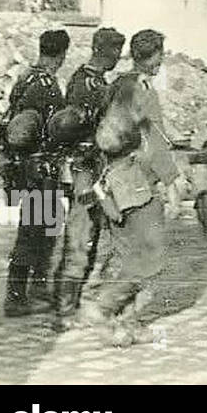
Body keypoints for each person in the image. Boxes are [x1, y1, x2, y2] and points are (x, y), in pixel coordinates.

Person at [79, 29, 189, 346]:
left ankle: (126, 324)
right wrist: (171, 180)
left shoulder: (117, 84)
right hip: (135, 182)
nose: (161, 61)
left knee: (127, 250)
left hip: (109, 179)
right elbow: (154, 140)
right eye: (160, 55)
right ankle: (103, 306)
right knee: (151, 253)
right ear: (154, 56)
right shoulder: (143, 89)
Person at [51, 27, 125, 330]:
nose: (117, 60)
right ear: (102, 51)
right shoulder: (84, 83)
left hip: (94, 167)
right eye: (114, 54)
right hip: (83, 169)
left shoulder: (96, 81)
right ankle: (65, 311)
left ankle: (76, 302)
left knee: (93, 238)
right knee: (80, 237)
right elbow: (75, 129)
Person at [0, 29, 70, 317]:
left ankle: (37, 289)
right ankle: (16, 297)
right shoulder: (47, 85)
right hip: (40, 169)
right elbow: (52, 129)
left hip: (23, 167)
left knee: (45, 226)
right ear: (62, 54)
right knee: (34, 232)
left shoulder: (25, 77)